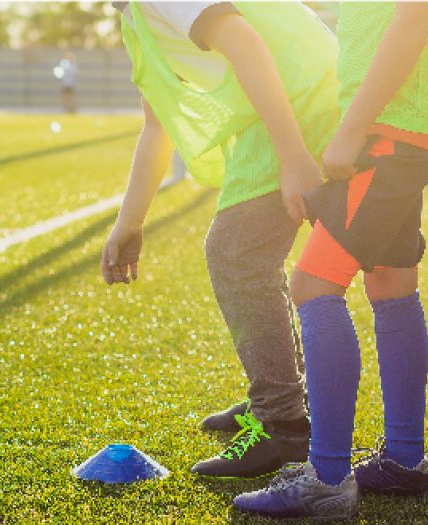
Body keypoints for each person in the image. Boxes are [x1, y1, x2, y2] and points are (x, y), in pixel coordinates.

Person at [234, 1, 428, 520]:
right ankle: (405, 461)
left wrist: (353, 127)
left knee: (313, 285)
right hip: (406, 122)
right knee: (390, 282)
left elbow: (415, 17)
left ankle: (326, 476)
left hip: (392, 126)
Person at [102, 1, 339, 477]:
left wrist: (293, 156)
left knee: (236, 252)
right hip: (290, 96)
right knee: (244, 253)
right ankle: (282, 401)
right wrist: (131, 220)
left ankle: (285, 423)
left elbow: (245, 42)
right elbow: (158, 122)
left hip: (299, 97)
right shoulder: (133, 14)